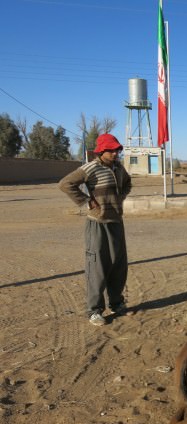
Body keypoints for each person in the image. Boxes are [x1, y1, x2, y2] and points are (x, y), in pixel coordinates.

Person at [59, 133, 132, 326]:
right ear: (102, 151)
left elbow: (127, 183)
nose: (116, 153)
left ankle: (116, 303)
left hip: (116, 221)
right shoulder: (90, 168)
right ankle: (94, 310)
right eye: (112, 150)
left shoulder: (118, 168)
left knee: (118, 264)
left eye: (117, 150)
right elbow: (65, 184)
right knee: (97, 267)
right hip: (97, 224)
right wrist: (86, 201)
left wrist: (120, 198)